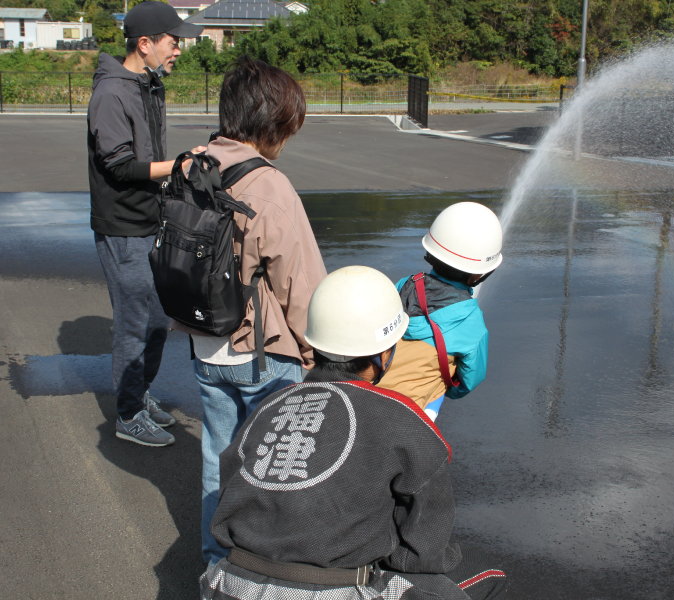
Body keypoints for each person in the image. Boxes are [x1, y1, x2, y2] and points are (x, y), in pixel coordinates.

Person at [200, 265, 507, 600]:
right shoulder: (405, 422)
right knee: (481, 573)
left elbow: (231, 487)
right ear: (384, 355)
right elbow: (422, 552)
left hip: (225, 585)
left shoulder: (270, 406)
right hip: (330, 592)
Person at [169, 56, 327, 567]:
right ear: (273, 124)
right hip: (261, 353)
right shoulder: (269, 186)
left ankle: (218, 562)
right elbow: (299, 284)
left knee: (220, 455)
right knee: (276, 461)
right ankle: (270, 566)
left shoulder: (192, 165)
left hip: (204, 341)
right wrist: (313, 354)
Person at [88, 1, 204, 447]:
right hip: (121, 227)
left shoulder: (147, 84)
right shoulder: (112, 94)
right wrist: (177, 166)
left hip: (148, 222)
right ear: (145, 43)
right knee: (136, 323)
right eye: (173, 42)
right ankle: (128, 414)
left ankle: (139, 394)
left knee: (158, 319)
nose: (178, 50)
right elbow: (118, 166)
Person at [379, 202, 503, 421]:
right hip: (409, 413)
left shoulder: (405, 284)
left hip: (367, 388)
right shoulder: (473, 324)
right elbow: (468, 381)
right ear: (478, 275)